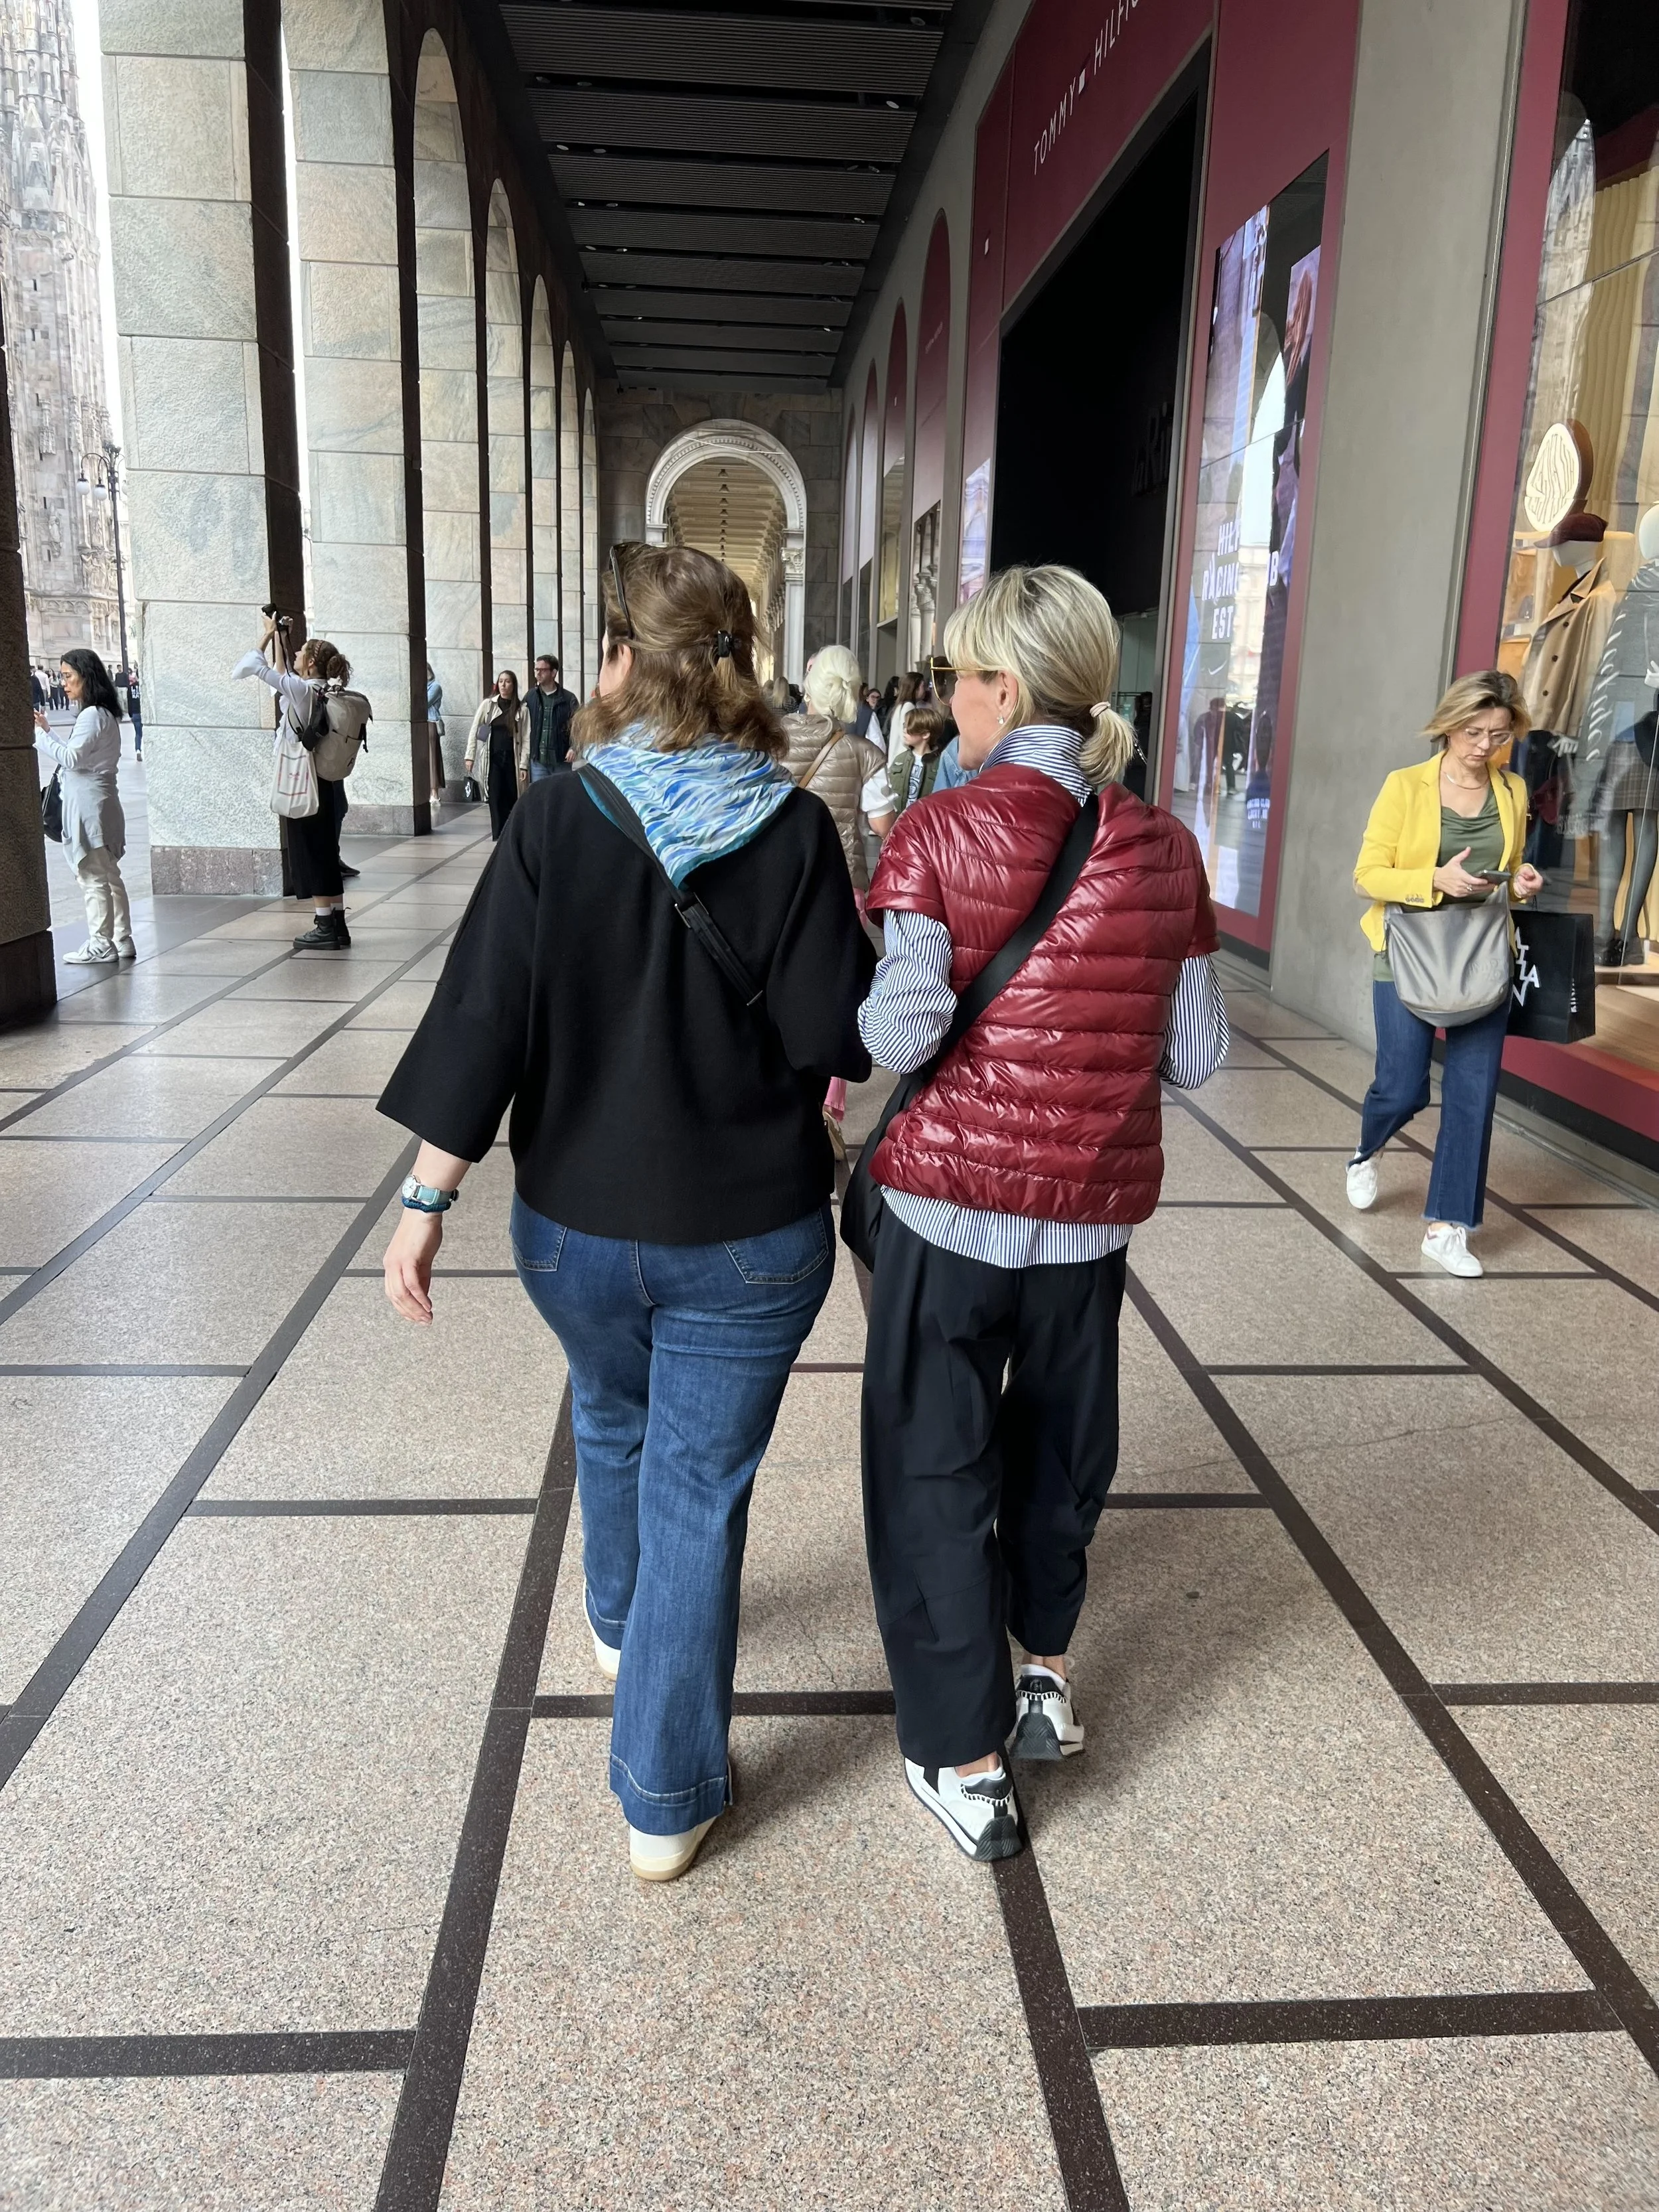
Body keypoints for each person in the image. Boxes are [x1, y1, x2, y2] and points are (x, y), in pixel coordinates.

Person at [379, 542, 875, 1880]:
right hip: (749, 1235)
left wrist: (428, 1195)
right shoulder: (790, 827)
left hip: (573, 1230)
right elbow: (838, 1027)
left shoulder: (554, 816)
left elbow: (483, 1019)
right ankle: (663, 1797)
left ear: (623, 662)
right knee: (700, 1487)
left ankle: (610, 1615)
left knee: (609, 1403)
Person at [856, 563, 1228, 1863]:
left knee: (931, 1466)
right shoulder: (1166, 847)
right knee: (1062, 1450)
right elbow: (1193, 1058)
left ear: (1000, 688)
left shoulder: (938, 830)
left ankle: (961, 1763)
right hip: (1086, 1228)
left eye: (956, 674)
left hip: (945, 1213)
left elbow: (901, 1025)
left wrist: (876, 997)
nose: (945, 697)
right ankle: (1042, 1682)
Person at [1347, 671, 1544, 1278]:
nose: (1484, 746)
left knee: (1474, 1094)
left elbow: (1508, 869)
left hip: (1483, 953)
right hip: (1408, 951)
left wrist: (1524, 881)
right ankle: (1368, 1149)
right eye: (1474, 731)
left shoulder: (1512, 792)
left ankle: (1450, 1226)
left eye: (1499, 735)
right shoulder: (1406, 787)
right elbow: (1367, 875)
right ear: (1449, 724)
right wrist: (1432, 878)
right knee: (1404, 1087)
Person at [786, 645, 883, 1157]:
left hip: (782, 878)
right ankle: (832, 1108)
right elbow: (883, 822)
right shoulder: (865, 754)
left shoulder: (771, 738)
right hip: (845, 880)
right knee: (840, 990)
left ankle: (784, 1086)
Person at [233, 617, 362, 948]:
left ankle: (323, 926)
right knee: (326, 851)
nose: (296, 655)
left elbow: (250, 667)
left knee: (313, 853)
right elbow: (284, 673)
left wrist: (265, 635)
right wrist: (282, 638)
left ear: (312, 662)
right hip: (327, 782)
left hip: (305, 783)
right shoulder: (320, 691)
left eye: (302, 652)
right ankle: (336, 923)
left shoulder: (303, 692)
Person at [34, 648, 134, 965]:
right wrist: (50, 731)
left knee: (93, 877)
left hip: (89, 806)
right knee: (108, 875)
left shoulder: (91, 715)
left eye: (68, 676)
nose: (64, 683)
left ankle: (101, 943)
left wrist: (39, 736)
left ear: (85, 677)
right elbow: (82, 757)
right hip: (102, 803)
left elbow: (73, 759)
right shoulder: (103, 714)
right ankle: (121, 938)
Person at [865, 703, 952, 840]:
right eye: (905, 726)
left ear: (925, 734)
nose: (904, 731)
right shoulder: (900, 760)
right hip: (898, 826)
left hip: (926, 830)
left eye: (910, 727)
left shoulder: (941, 763)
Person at [465, 670, 531, 839]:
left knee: (512, 796)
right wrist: (470, 756)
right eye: (501, 681)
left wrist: (524, 764)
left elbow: (526, 738)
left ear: (513, 685)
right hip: (492, 758)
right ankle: (498, 835)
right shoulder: (488, 705)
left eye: (507, 681)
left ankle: (511, 833)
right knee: (495, 797)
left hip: (512, 759)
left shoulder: (522, 709)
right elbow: (475, 730)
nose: (503, 685)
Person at [528, 652, 577, 782]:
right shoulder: (531, 697)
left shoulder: (568, 699)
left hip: (561, 759)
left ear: (554, 673)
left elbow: (579, 726)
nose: (538, 673)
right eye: (536, 669)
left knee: (560, 798)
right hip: (538, 760)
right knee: (539, 798)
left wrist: (574, 747)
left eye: (543, 670)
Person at [886, 668, 928, 763]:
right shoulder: (909, 707)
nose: (926, 690)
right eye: (923, 686)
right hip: (903, 760)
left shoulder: (901, 706)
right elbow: (905, 737)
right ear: (915, 688)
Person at [426, 663, 445, 802]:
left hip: (431, 723)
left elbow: (424, 702)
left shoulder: (435, 687)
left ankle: (434, 793)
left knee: (433, 757)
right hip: (422, 724)